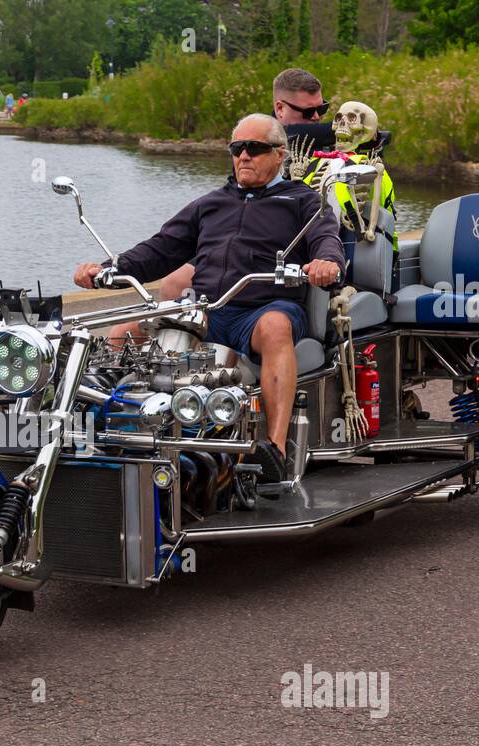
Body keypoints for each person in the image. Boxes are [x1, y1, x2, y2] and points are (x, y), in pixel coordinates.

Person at [72, 112, 345, 480]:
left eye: (254, 148)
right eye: (237, 149)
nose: (244, 156)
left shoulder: (302, 200)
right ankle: (93, 428)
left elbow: (326, 237)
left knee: (276, 327)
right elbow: (160, 248)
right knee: (125, 330)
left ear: (279, 154)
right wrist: (107, 269)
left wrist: (326, 261)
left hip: (263, 308)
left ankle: (275, 449)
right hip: (208, 308)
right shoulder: (211, 203)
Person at [159, 67, 333, 302]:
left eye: (321, 109)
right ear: (280, 109)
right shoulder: (257, 137)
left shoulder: (331, 142)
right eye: (308, 111)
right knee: (173, 283)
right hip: (244, 229)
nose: (316, 117)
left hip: (293, 236)